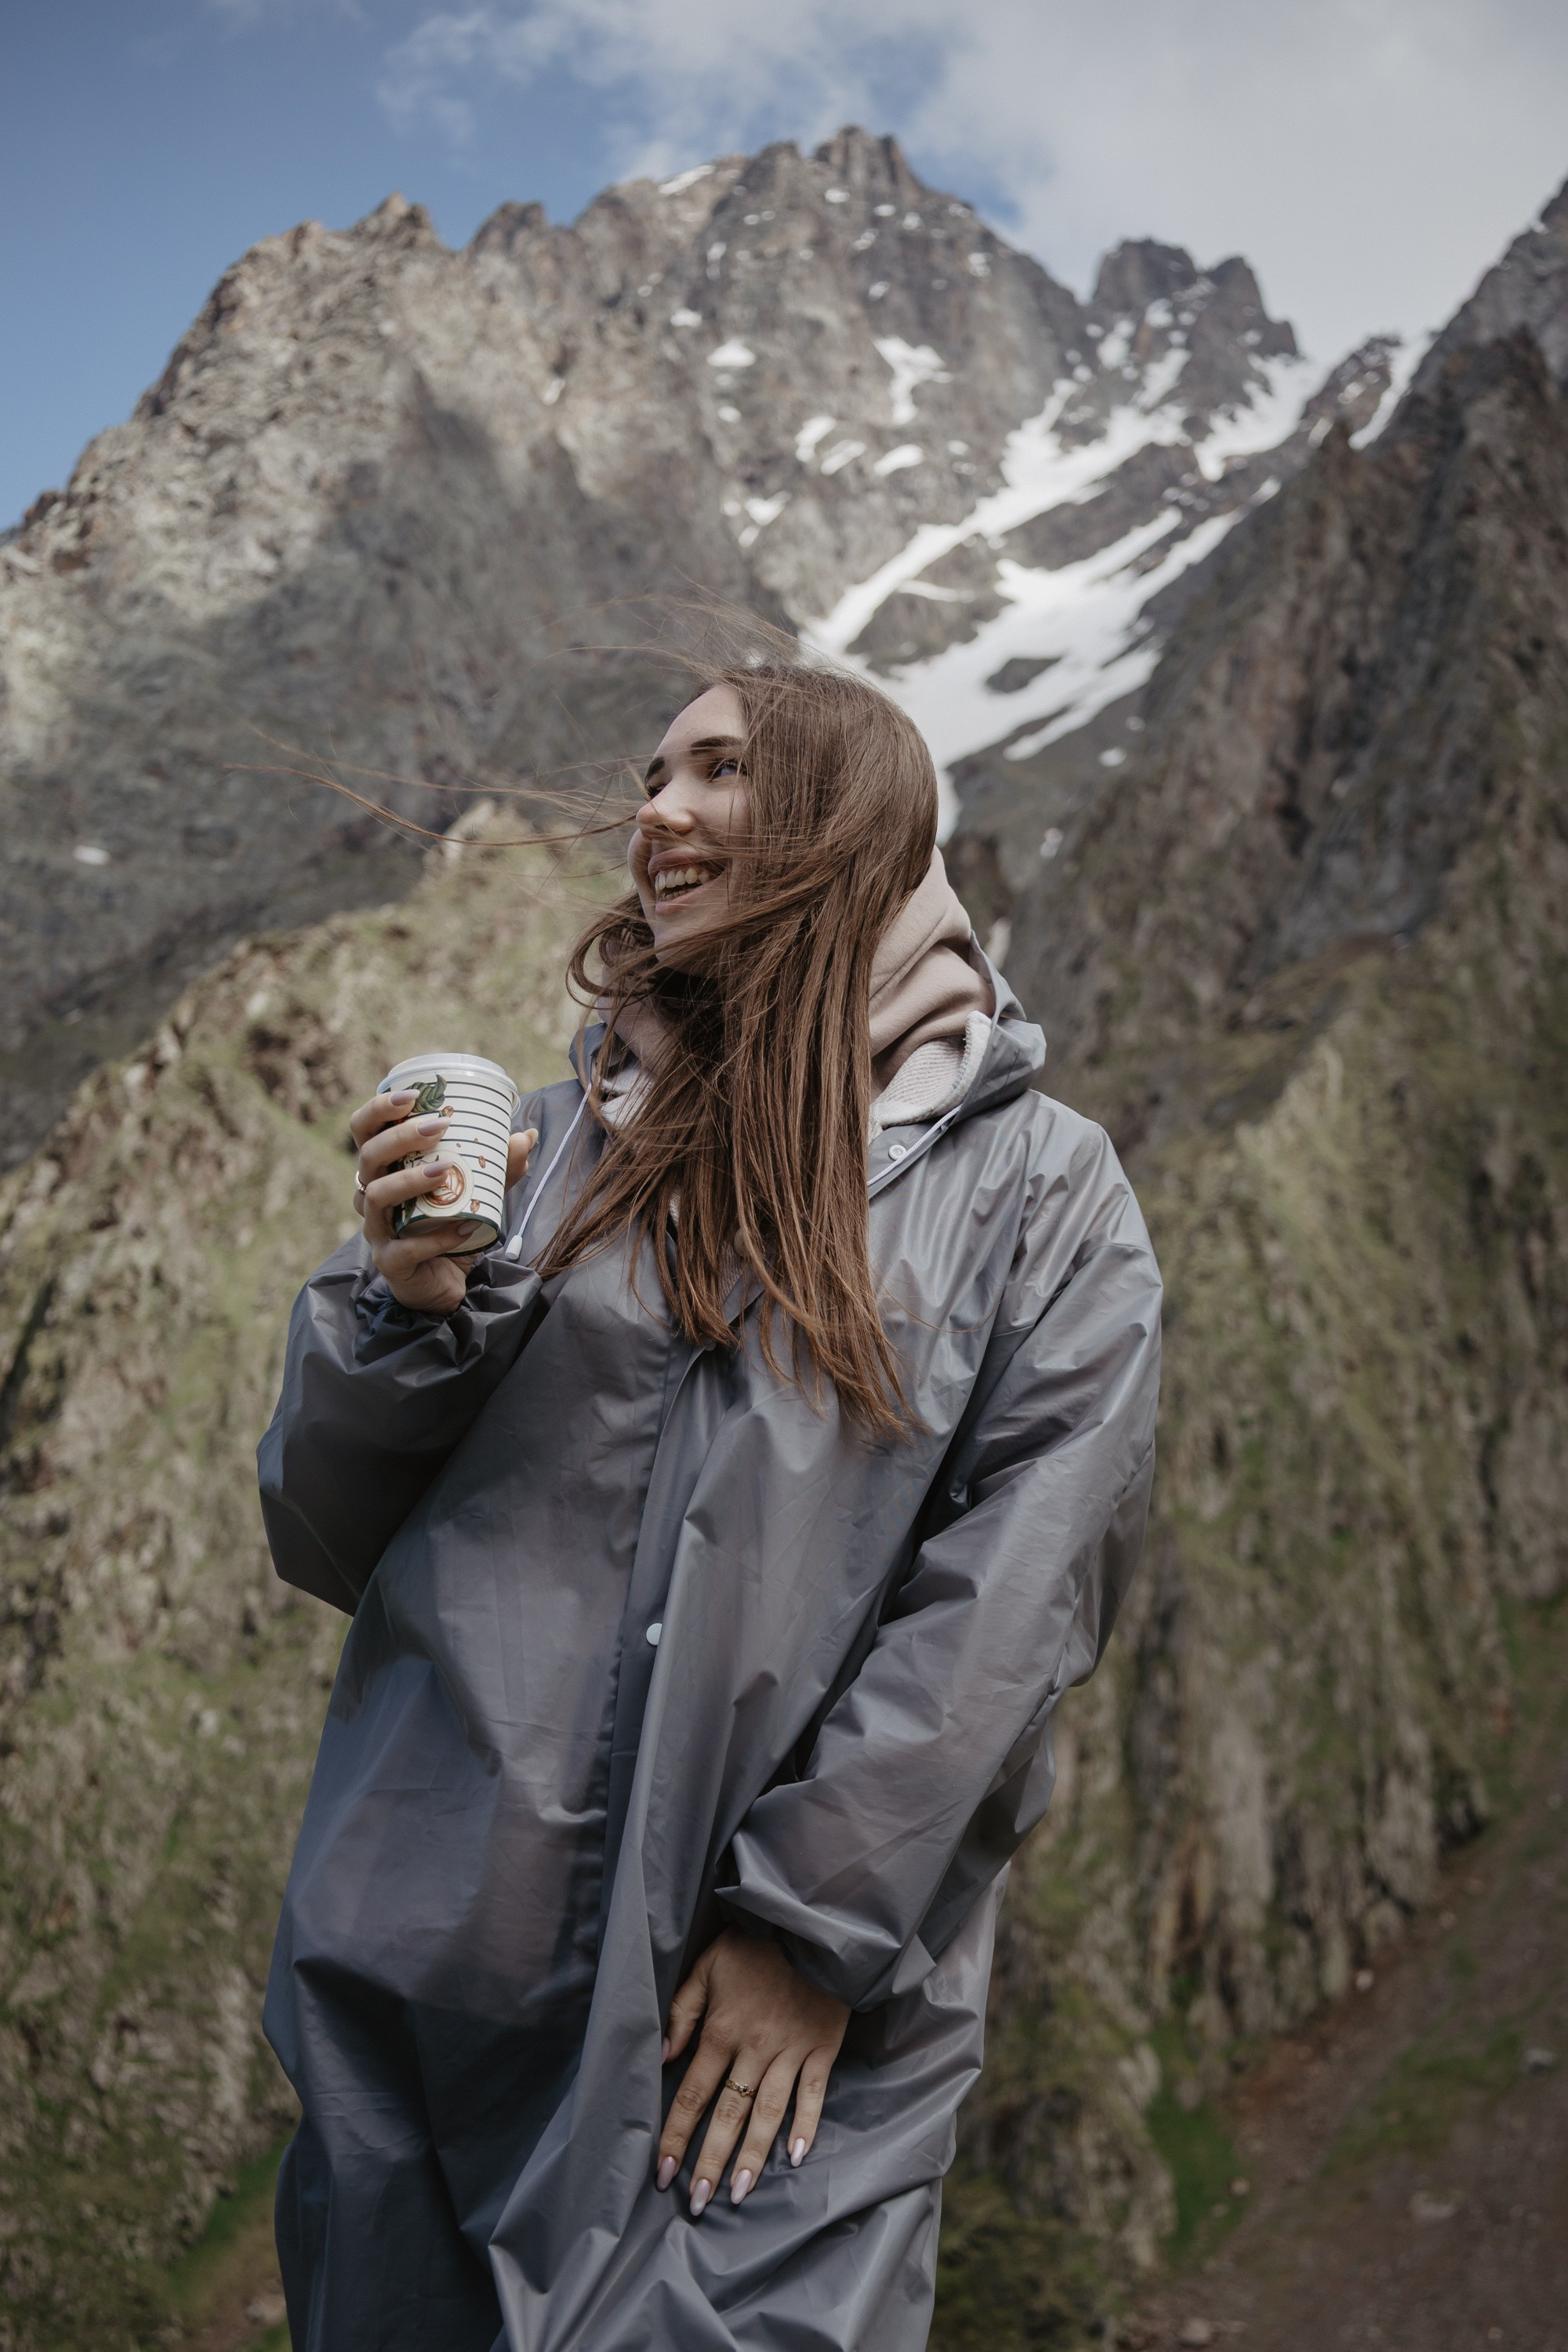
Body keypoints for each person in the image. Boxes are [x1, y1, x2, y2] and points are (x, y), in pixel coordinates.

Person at [258, 660, 1161, 2352]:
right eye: (654, 773)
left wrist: (812, 1930)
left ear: (853, 818)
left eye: (722, 771)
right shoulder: (532, 1153)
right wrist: (409, 1313)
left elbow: (1023, 1584)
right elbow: (317, 1528)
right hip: (422, 1987)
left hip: (750, 2038)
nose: (656, 811)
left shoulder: (1037, 1192)